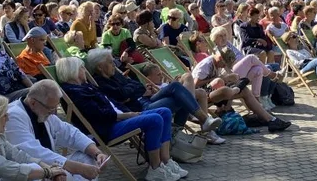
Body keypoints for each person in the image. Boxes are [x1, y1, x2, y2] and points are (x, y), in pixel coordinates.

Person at [54, 56, 185, 181]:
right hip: (107, 128)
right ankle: (155, 169)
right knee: (155, 119)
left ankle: (166, 160)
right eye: (82, 68)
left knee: (165, 112)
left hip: (119, 118)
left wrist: (129, 113)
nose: (85, 70)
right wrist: (127, 115)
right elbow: (97, 114)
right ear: (73, 71)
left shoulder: (86, 86)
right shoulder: (74, 92)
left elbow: (112, 103)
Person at [4, 80, 108, 181]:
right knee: (66, 177)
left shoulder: (43, 111)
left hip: (50, 167)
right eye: (51, 108)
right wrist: (77, 168)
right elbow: (32, 152)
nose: (54, 112)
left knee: (88, 157)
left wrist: (97, 153)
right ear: (33, 103)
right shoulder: (13, 115)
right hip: (28, 173)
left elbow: (70, 133)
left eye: (56, 107)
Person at [86, 49, 219, 131]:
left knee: (178, 89)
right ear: (99, 67)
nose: (114, 65)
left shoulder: (115, 75)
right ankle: (201, 120)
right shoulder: (101, 83)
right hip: (138, 109)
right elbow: (123, 94)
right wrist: (134, 91)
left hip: (145, 99)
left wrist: (136, 91)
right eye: (110, 62)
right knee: (179, 93)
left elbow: (136, 85)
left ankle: (186, 128)